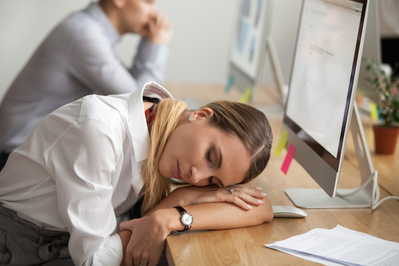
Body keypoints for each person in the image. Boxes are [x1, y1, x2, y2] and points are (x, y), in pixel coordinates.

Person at [0, 82, 274, 266]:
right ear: (201, 115)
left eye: (213, 182)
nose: (196, 175)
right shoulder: (99, 131)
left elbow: (261, 208)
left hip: (66, 242)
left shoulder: (159, 121)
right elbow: (93, 260)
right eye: (210, 156)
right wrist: (175, 205)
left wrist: (170, 215)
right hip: (18, 247)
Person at [0, 0, 172, 170]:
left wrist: (150, 42)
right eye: (148, 2)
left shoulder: (88, 29)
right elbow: (141, 103)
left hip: (28, 154)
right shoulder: (83, 34)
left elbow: (134, 93)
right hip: (13, 159)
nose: (154, 13)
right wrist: (157, 44)